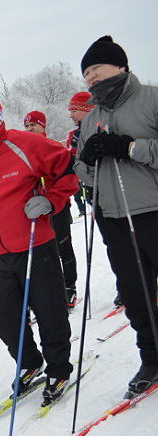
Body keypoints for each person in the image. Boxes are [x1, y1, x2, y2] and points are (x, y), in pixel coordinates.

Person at [0, 94, 79, 404]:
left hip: (36, 245)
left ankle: (58, 368)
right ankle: (31, 364)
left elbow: (67, 168)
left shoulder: (25, 144)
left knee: (50, 313)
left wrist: (51, 200)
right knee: (5, 319)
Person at [74, 35, 158, 399]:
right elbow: (81, 170)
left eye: (97, 68)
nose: (91, 77)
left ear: (121, 67)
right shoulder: (91, 118)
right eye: (86, 73)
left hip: (153, 209)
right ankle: (152, 358)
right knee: (137, 296)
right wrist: (89, 160)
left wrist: (129, 147)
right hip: (113, 218)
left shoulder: (152, 99)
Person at [24, 111, 79, 307]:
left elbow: (67, 173)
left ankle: (69, 286)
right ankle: (51, 289)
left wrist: (53, 194)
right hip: (35, 210)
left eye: (34, 125)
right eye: (28, 126)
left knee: (63, 246)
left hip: (57, 206)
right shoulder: (24, 151)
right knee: (45, 252)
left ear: (43, 127)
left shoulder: (51, 147)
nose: (30, 129)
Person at [65, 92, 96, 218]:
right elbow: (72, 161)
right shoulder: (75, 134)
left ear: (87, 109)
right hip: (88, 182)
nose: (70, 115)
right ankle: (82, 208)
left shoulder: (101, 127)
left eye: (74, 111)